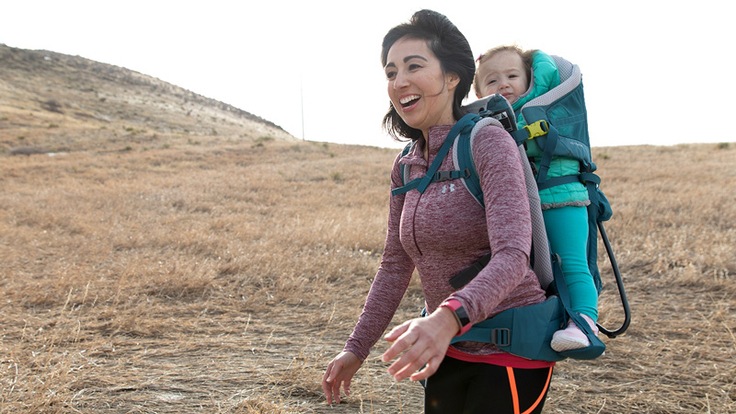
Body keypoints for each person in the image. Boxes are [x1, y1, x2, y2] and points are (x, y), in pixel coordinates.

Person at [322, 10, 554, 414]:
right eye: (391, 72)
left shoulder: (487, 141)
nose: (399, 82)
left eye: (414, 66)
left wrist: (445, 318)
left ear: (452, 78)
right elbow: (395, 264)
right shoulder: (408, 164)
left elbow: (514, 254)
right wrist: (356, 349)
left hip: (510, 349)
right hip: (447, 349)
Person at [474, 45, 600, 352]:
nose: (503, 84)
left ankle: (584, 323)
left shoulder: (541, 107)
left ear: (530, 79)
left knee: (571, 262)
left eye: (512, 75)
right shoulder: (493, 120)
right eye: (491, 81)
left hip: (562, 197)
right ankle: (552, 317)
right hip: (524, 206)